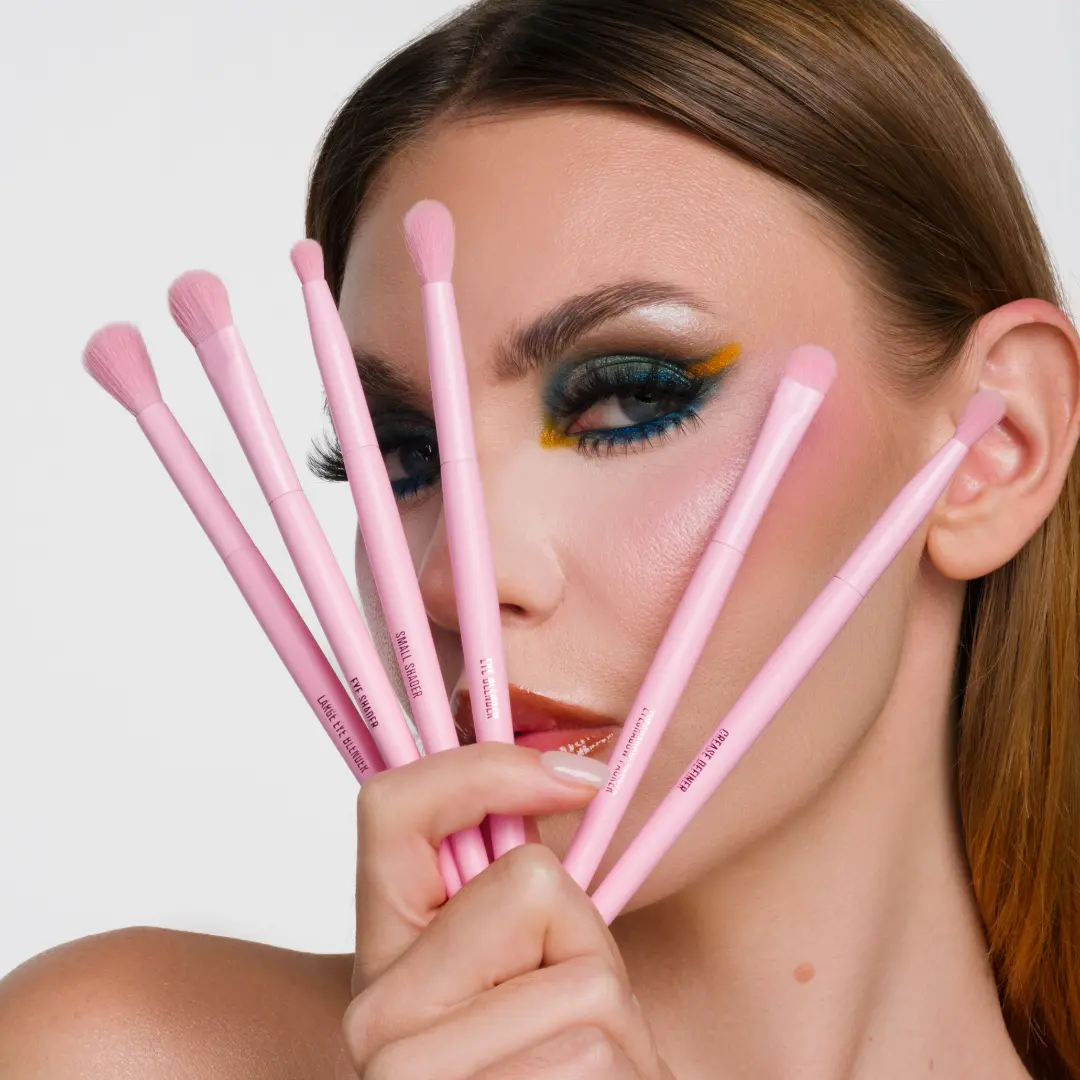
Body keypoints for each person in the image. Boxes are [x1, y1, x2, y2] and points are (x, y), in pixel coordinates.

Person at [2, 0, 1078, 1076]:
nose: (455, 577)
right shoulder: (116, 1053)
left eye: (630, 402)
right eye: (402, 454)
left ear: (1000, 448)